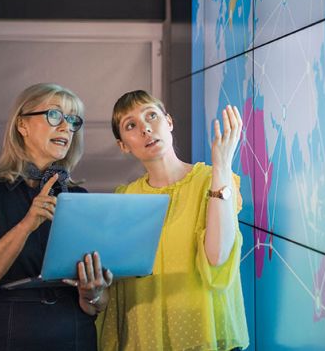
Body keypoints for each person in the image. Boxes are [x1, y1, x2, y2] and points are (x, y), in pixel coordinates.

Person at [0, 83, 112, 351]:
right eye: (55, 115)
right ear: (22, 125)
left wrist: (92, 293)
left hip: (74, 334)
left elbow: (98, 305)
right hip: (3, 334)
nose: (66, 127)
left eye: (72, 120)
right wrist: (26, 225)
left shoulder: (79, 196)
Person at [96, 90, 249, 351]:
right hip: (145, 338)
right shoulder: (124, 199)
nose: (145, 128)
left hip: (205, 335)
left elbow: (218, 256)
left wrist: (222, 165)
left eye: (151, 116)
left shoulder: (214, 179)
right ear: (123, 145)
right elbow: (114, 285)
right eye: (131, 125)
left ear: (169, 122)